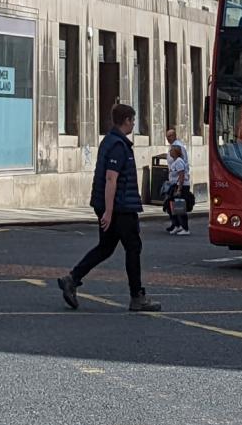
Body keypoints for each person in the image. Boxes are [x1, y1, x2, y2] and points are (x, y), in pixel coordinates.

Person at [57, 101, 161, 313]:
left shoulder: (109, 141)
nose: (134, 124)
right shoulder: (118, 145)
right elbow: (111, 179)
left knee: (105, 248)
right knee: (133, 248)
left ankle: (72, 278)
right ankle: (137, 297)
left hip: (115, 205)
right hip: (121, 207)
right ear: (127, 121)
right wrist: (109, 211)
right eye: (133, 120)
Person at [162, 128, 193, 234]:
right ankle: (176, 224)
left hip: (180, 183)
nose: (168, 138)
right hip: (173, 181)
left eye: (170, 136)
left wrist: (180, 186)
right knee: (170, 204)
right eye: (167, 136)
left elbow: (182, 171)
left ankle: (184, 227)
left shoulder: (178, 147)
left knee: (179, 205)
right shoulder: (173, 147)